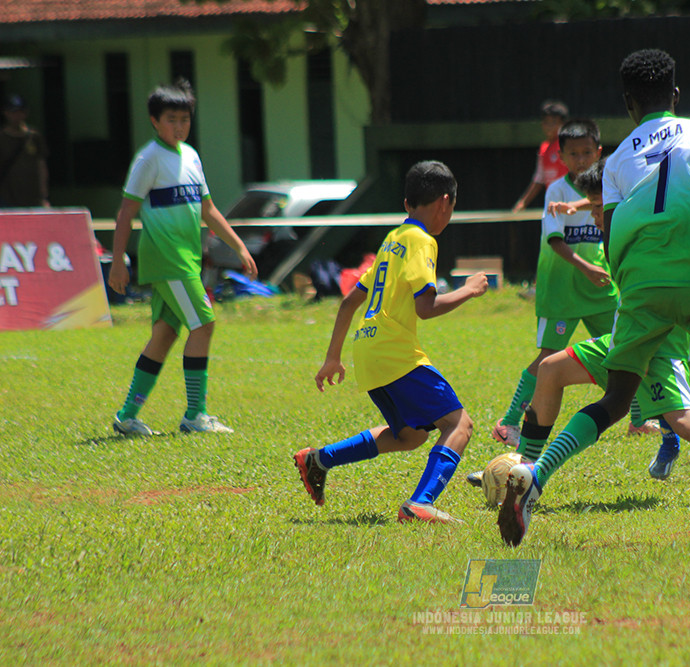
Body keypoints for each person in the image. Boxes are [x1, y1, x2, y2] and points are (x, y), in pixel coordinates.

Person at [499, 49, 690, 547]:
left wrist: (635, 288)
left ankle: (536, 474)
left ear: (629, 104)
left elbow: (612, 235)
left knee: (616, 398)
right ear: (676, 96)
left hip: (638, 290)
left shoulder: (615, 161)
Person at [492, 144, 690, 502]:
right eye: (594, 209)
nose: (596, 217)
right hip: (627, 339)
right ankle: (524, 469)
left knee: (684, 422)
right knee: (551, 370)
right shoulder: (619, 228)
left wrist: (680, 356)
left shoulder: (641, 231)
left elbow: (676, 294)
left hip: (655, 344)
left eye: (600, 209)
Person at [293, 161, 489, 525]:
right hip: (394, 351)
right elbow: (426, 307)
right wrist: (468, 290)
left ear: (406, 204)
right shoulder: (421, 241)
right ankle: (421, 503)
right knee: (459, 424)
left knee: (410, 436)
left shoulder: (392, 240)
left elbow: (350, 300)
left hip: (368, 349)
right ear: (445, 202)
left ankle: (318, 459)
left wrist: (332, 357)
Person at [108, 80, 258, 436]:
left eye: (184, 119)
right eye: (171, 119)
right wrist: (117, 262)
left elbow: (208, 209)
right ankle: (196, 415)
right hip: (166, 257)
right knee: (204, 324)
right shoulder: (148, 159)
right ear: (154, 121)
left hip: (187, 259)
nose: (179, 126)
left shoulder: (190, 155)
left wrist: (238, 246)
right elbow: (126, 213)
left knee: (164, 334)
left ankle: (127, 415)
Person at [493, 120, 654, 450]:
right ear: (561, 156)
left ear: (598, 152)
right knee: (548, 356)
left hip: (599, 289)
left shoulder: (608, 183)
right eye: (573, 154)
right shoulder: (556, 191)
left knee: (625, 346)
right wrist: (586, 267)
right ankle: (509, 422)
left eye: (586, 152)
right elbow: (554, 241)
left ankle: (638, 419)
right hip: (561, 290)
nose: (581, 160)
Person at [512, 100, 569, 213]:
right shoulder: (544, 148)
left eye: (553, 122)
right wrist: (523, 202)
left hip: (569, 205)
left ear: (563, 124)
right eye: (546, 122)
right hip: (552, 206)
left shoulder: (567, 145)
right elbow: (539, 179)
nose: (549, 126)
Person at [0, 94, 49, 207]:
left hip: (32, 195)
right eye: (13, 112)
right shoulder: (2, 137)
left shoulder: (34, 136)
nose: (17, 116)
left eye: (20, 112)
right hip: (7, 195)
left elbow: (41, 165)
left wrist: (44, 194)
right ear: (6, 113)